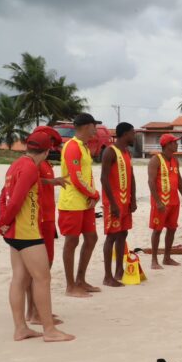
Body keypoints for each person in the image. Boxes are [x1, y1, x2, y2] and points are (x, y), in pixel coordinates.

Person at [0, 131, 74, 342]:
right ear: (47, 151)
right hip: (26, 232)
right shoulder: (31, 167)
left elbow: (4, 195)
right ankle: (49, 330)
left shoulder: (17, 164)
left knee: (19, 279)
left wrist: (3, 223)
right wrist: (1, 223)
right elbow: (16, 201)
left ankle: (20, 328)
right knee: (42, 278)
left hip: (14, 232)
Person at [26, 126, 67, 325]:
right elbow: (30, 180)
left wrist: (52, 181)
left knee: (41, 266)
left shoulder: (43, 160)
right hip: (41, 218)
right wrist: (52, 181)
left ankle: (35, 310)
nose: (52, 147)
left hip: (47, 216)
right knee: (41, 267)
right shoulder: (34, 161)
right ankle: (35, 313)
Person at [58, 113, 101, 298]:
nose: (96, 130)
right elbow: (75, 178)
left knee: (91, 238)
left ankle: (80, 280)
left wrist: (91, 196)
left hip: (85, 203)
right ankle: (70, 286)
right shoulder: (72, 146)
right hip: (72, 203)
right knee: (71, 242)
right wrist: (94, 194)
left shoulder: (84, 147)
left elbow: (85, 175)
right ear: (86, 126)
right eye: (94, 126)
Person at [100, 122, 137, 286]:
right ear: (124, 134)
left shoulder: (127, 152)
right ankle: (107, 276)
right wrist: (113, 203)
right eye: (132, 133)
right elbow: (104, 178)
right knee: (112, 236)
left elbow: (132, 176)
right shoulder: (110, 151)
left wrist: (133, 198)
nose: (134, 136)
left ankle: (119, 270)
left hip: (125, 201)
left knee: (123, 234)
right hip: (113, 202)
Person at [148, 134, 182, 269]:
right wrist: (158, 202)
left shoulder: (175, 160)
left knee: (172, 229)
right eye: (174, 142)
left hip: (174, 201)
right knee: (157, 230)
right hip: (161, 202)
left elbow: (179, 179)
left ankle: (167, 257)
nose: (177, 144)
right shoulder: (156, 160)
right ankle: (154, 260)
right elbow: (151, 182)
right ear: (167, 145)